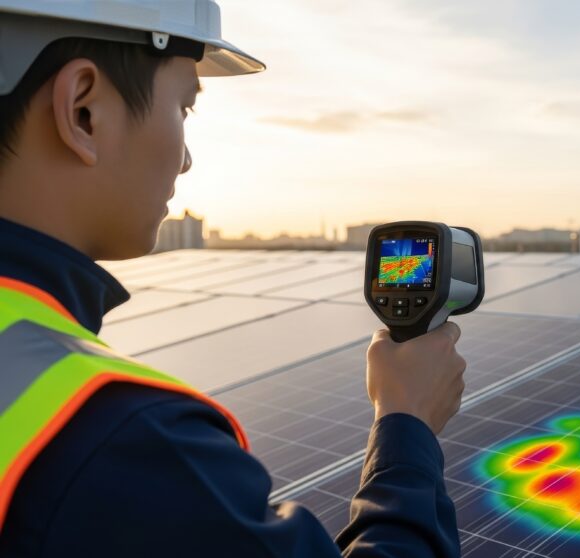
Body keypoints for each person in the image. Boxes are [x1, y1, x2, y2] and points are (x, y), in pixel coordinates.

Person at [0, 1, 466, 556]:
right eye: (184, 107)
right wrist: (406, 422)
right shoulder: (121, 443)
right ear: (84, 112)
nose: (187, 159)